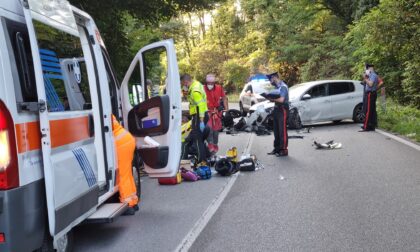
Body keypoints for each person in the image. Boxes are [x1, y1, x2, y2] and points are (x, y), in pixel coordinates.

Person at [112, 115, 139, 215]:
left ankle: (128, 205)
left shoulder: (98, 115)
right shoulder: (109, 114)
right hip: (127, 139)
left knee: (123, 176)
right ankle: (134, 201)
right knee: (127, 174)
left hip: (121, 144)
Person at [180, 74, 209, 163]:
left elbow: (201, 105)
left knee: (197, 140)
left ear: (186, 82)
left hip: (199, 116)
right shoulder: (196, 84)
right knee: (189, 140)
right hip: (198, 115)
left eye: (183, 84)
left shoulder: (195, 91)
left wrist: (201, 121)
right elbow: (187, 96)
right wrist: (185, 91)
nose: (183, 86)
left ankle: (201, 161)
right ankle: (184, 160)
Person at [203, 74, 228, 154]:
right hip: (207, 112)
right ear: (206, 82)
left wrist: (226, 108)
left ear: (214, 83)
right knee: (209, 129)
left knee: (216, 131)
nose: (210, 85)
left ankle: (215, 144)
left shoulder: (219, 88)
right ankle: (210, 145)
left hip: (217, 112)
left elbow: (224, 98)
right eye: (208, 83)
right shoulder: (202, 89)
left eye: (212, 83)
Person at [266, 72, 289, 157]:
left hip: (283, 109)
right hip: (277, 109)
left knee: (282, 130)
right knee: (276, 130)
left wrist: (271, 99)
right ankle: (277, 148)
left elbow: (282, 100)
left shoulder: (283, 87)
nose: (270, 81)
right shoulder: (277, 87)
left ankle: (284, 150)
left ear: (275, 77)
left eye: (270, 79)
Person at [360, 64, 379, 132]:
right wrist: (366, 77)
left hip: (370, 94)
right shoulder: (371, 75)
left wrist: (365, 78)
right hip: (371, 93)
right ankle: (371, 126)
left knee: (368, 111)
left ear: (369, 68)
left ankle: (366, 127)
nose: (366, 70)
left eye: (366, 69)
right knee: (371, 111)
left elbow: (370, 84)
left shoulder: (373, 75)